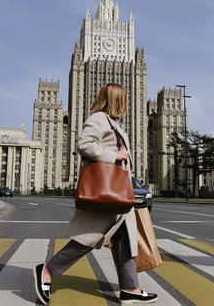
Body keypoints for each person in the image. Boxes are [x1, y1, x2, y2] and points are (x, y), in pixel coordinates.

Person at [33, 83, 158, 305]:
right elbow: (85, 144)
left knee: (125, 240)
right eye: (122, 100)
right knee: (87, 239)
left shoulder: (114, 123)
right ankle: (47, 271)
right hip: (106, 194)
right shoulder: (99, 118)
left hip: (119, 194)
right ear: (115, 100)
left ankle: (130, 287)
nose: (125, 105)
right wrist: (114, 155)